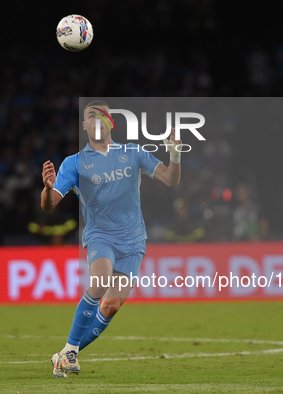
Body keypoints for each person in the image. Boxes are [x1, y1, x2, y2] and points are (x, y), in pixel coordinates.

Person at [40, 100, 182, 377]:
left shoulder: (133, 152)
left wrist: (175, 155)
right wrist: (47, 189)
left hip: (133, 240)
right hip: (100, 235)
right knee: (101, 282)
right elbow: (49, 205)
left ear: (109, 122)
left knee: (111, 305)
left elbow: (170, 179)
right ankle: (70, 351)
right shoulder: (74, 163)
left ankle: (66, 354)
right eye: (88, 116)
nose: (94, 120)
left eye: (100, 115)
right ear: (84, 126)